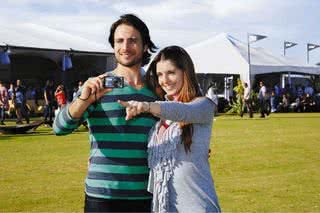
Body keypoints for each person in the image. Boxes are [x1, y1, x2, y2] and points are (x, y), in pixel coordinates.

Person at [53, 14, 158, 212]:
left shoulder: (157, 90)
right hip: (102, 195)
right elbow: (59, 128)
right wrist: (84, 100)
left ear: (145, 46)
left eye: (133, 40)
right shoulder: (96, 85)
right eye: (119, 41)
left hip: (147, 193)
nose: (125, 47)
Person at [119, 46, 221, 212]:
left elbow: (182, 111)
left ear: (185, 72)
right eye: (160, 74)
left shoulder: (203, 106)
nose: (164, 80)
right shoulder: (158, 123)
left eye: (171, 72)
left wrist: (146, 106)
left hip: (198, 206)